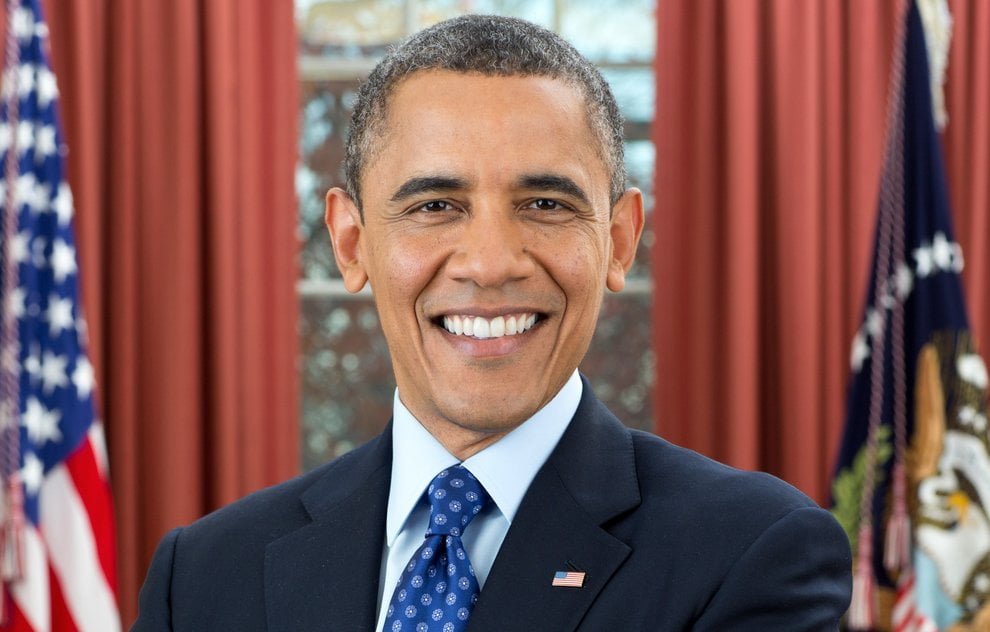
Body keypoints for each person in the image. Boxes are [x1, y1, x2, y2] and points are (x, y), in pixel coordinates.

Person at [132, 15, 851, 631]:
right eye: (434, 206)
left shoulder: (750, 553)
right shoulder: (202, 577)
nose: (490, 262)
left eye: (545, 205)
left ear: (621, 239)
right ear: (351, 245)